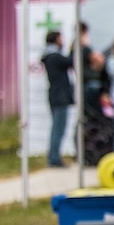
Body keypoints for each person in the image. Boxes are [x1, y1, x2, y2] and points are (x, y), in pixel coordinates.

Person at [41, 31, 74, 167]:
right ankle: (54, 158)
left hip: (55, 95)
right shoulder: (54, 56)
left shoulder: (49, 55)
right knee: (58, 128)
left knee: (57, 127)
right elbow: (71, 61)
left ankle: (53, 157)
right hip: (60, 96)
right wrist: (74, 48)